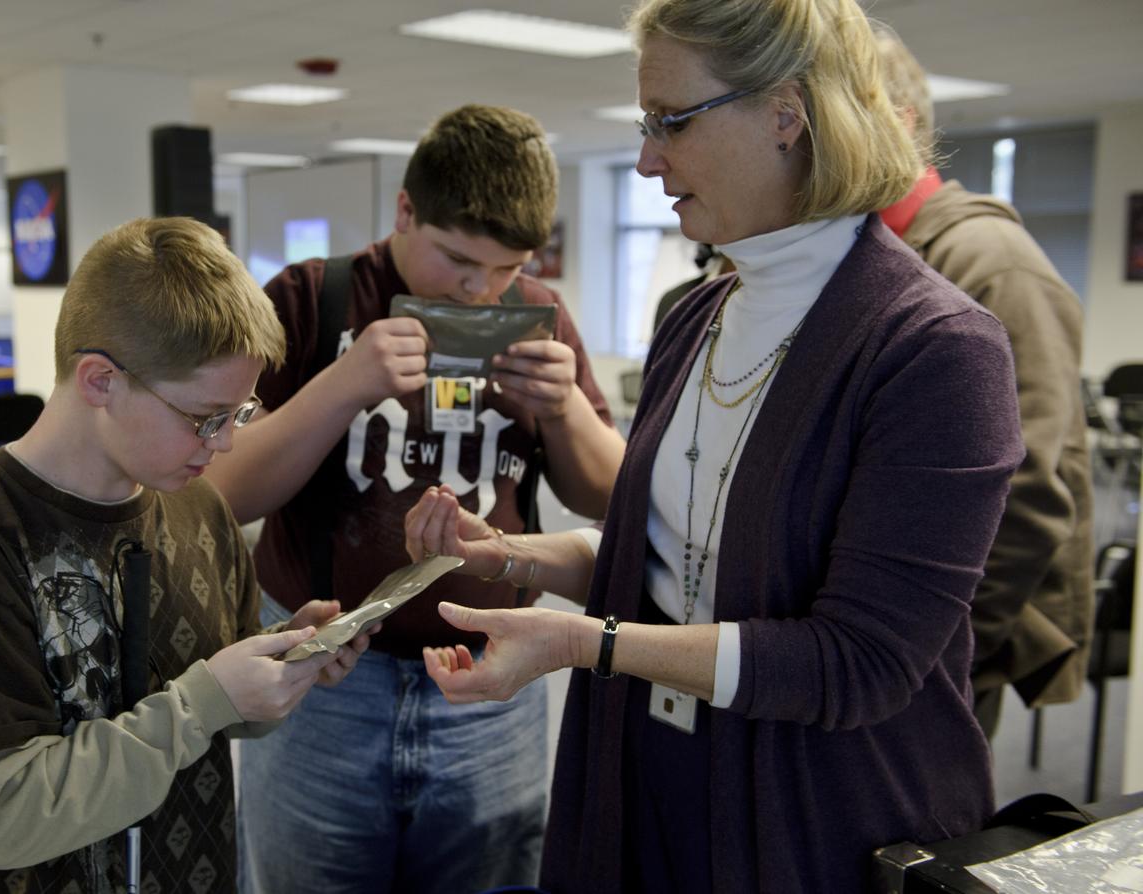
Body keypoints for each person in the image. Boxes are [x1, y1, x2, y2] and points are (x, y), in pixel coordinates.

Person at [405, 1, 1025, 891]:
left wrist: (586, 645)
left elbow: (860, 663)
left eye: (672, 122)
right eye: (644, 123)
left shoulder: (935, 350)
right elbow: (675, 566)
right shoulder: (697, 316)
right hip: (645, 779)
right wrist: (507, 556)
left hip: (817, 814)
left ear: (786, 113)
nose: (648, 157)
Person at [207, 105, 624, 893]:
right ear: (404, 211)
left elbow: (607, 495)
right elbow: (222, 489)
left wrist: (564, 406)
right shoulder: (307, 296)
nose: (481, 289)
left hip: (488, 678)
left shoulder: (540, 313)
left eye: (508, 267)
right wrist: (342, 386)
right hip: (320, 678)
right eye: (458, 260)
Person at [0, 217, 371, 894]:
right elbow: (4, 817)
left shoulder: (201, 507)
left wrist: (282, 668)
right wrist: (205, 700)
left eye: (238, 413)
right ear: (98, 380)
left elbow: (213, 709)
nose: (225, 444)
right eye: (204, 417)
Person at [874, 24, 1095, 739]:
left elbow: (1027, 490)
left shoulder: (991, 263)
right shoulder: (868, 257)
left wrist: (938, 652)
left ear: (897, 122)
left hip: (939, 647)